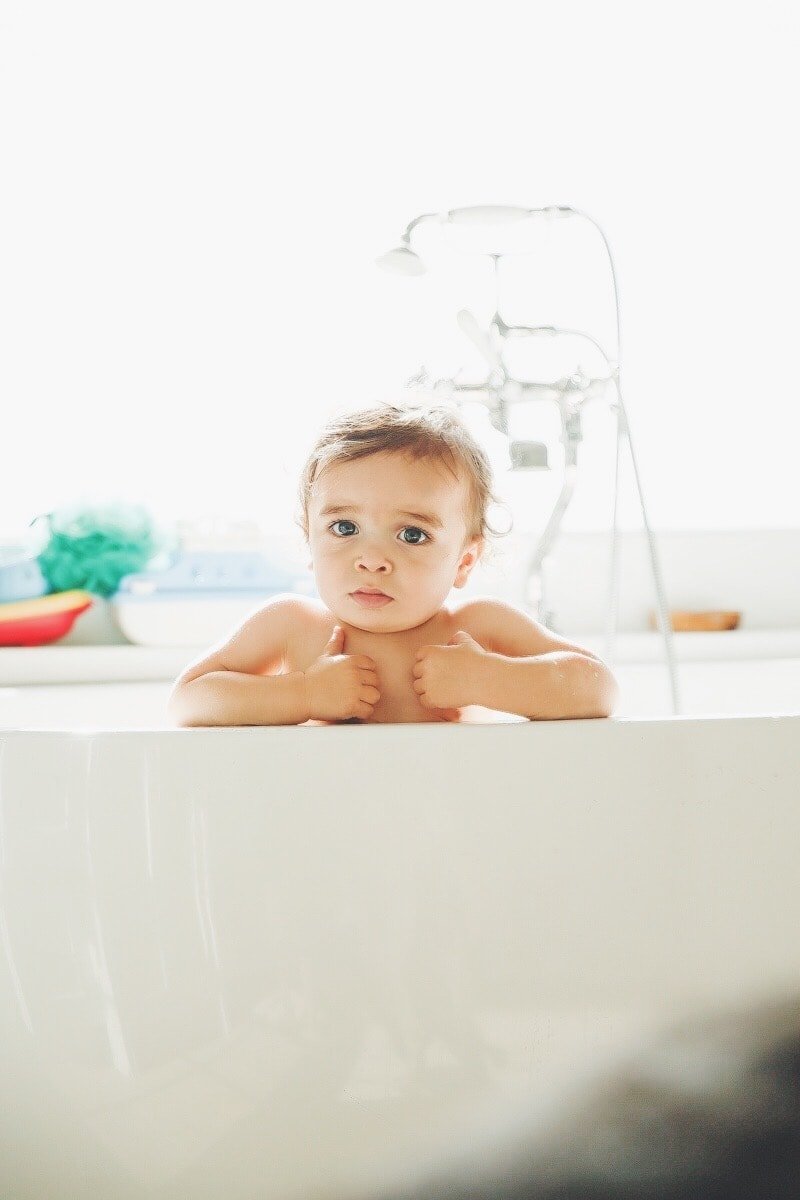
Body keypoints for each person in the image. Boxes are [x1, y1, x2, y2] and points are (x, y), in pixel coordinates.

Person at [167, 403, 618, 727]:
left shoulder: (477, 627)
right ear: (310, 539)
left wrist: (492, 679)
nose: (372, 560)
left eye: (412, 535)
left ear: (464, 562)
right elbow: (188, 701)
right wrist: (302, 694)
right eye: (344, 528)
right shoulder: (293, 626)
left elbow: (599, 689)